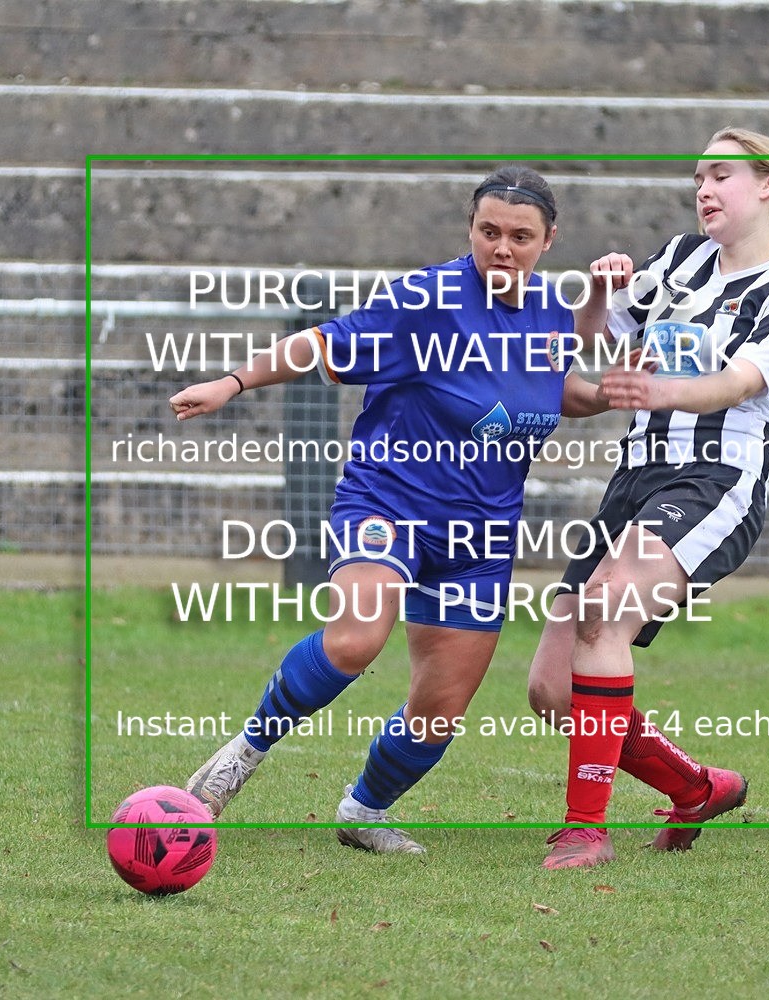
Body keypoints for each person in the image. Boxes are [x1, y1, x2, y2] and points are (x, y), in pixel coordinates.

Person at [169, 166, 611, 854]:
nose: (501, 246)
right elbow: (319, 344)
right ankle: (237, 762)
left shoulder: (551, 311)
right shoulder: (425, 299)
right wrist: (233, 381)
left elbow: (557, 390)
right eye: (487, 231)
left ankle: (363, 810)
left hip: (479, 536)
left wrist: (617, 391)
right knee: (354, 638)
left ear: (548, 240)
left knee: (439, 712)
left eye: (519, 236)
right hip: (389, 503)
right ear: (470, 229)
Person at [528, 128, 769, 869]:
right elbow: (592, 335)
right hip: (634, 478)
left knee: (602, 612)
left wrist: (657, 387)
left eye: (718, 174)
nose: (702, 188)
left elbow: (734, 386)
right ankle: (696, 788)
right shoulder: (679, 258)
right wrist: (598, 289)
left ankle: (584, 830)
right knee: (549, 690)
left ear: (768, 185)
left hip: (712, 481)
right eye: (696, 176)